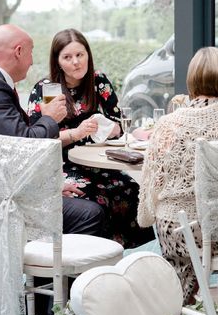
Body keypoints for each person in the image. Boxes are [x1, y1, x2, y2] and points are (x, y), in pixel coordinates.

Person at [137, 47, 218, 303]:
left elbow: (152, 185)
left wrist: (148, 215)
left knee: (166, 216)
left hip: (180, 231)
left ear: (192, 80)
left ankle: (183, 295)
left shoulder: (169, 124)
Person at [27, 28, 153, 248]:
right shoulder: (45, 90)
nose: (76, 62)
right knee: (94, 199)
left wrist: (108, 127)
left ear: (88, 55)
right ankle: (93, 257)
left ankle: (123, 256)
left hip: (98, 163)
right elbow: (37, 139)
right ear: (58, 62)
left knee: (135, 192)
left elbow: (119, 124)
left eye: (80, 55)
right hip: (63, 166)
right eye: (67, 57)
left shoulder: (99, 81)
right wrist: (77, 132)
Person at [0, 25, 105, 239]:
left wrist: (49, 185)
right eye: (31, 52)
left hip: (12, 182)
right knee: (89, 214)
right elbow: (25, 142)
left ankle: (50, 269)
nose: (32, 61)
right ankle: (51, 272)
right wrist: (50, 118)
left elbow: (12, 147)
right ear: (18, 51)